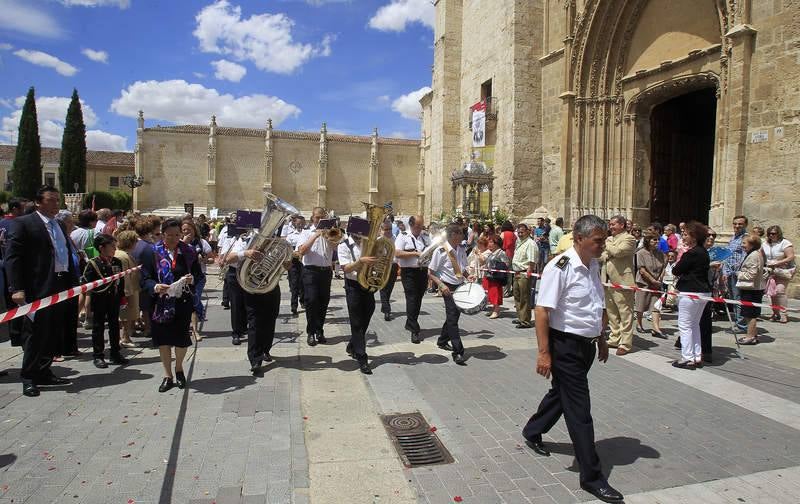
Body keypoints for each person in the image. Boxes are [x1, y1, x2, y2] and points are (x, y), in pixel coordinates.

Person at [521, 214, 622, 504]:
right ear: (579, 238)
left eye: (603, 240)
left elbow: (594, 303)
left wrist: (600, 337)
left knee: (561, 394)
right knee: (579, 409)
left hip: (586, 345)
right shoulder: (559, 267)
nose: (602, 245)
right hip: (564, 346)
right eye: (598, 241)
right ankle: (592, 477)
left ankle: (532, 430)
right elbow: (542, 311)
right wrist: (543, 353)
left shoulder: (592, 264)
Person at [4, 185, 79, 397]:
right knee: (35, 333)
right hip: (37, 287)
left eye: (58, 200)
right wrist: (16, 288)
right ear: (38, 202)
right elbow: (13, 258)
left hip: (60, 285)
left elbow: (63, 253)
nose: (56, 204)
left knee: (53, 330)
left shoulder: (58, 225)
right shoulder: (23, 224)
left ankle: (44, 371)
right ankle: (29, 377)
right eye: (51, 200)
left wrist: (73, 281)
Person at [140, 218, 201, 392]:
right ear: (162, 234)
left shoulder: (188, 252)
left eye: (177, 235)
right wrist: (155, 286)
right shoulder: (152, 252)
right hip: (160, 304)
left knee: (181, 340)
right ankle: (168, 375)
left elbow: (198, 274)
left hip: (182, 302)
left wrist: (192, 279)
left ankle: (179, 367)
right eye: (169, 235)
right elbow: (145, 278)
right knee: (163, 340)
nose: (174, 239)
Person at [226, 228, 283, 376]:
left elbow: (285, 265)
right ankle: (255, 359)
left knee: (270, 319)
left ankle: (265, 350)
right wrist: (246, 253)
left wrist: (286, 263)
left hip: (271, 285)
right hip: (252, 286)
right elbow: (227, 258)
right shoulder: (245, 241)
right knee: (255, 321)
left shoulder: (276, 245)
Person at [81, 233, 129, 369]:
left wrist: (122, 297)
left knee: (114, 326)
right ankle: (98, 355)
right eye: (111, 246)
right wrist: (87, 305)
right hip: (99, 299)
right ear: (102, 248)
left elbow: (120, 281)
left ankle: (115, 353)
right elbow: (87, 285)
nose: (114, 249)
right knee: (98, 327)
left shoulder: (116, 262)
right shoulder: (94, 264)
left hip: (113, 299)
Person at [428, 223, 473, 365]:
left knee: (453, 316)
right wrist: (441, 285)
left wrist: (468, 276)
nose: (463, 236)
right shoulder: (440, 251)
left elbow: (462, 268)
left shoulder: (461, 249)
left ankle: (442, 340)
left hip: (459, 286)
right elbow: (430, 272)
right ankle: (458, 351)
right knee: (453, 320)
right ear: (453, 235)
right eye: (460, 233)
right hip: (447, 287)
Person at [338, 218, 379, 374]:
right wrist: (360, 261)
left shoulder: (366, 244)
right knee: (356, 322)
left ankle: (352, 345)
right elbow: (346, 268)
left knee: (368, 313)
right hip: (353, 286)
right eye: (359, 234)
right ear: (353, 232)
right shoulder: (344, 245)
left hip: (367, 285)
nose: (361, 236)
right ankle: (362, 357)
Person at [671, 222, 711, 369]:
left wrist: (679, 260)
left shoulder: (692, 253)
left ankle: (687, 357)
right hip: (703, 291)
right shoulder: (703, 252)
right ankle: (696, 355)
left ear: (694, 237)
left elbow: (676, 270)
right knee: (694, 325)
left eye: (686, 234)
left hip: (690, 292)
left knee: (685, 325)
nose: (683, 237)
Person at [297, 207, 337, 347]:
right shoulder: (306, 233)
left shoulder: (331, 232)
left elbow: (336, 246)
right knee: (312, 300)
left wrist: (328, 235)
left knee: (323, 302)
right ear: (312, 219)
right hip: (310, 271)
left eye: (322, 218)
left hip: (326, 271)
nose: (319, 220)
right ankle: (310, 332)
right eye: (317, 218)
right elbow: (302, 251)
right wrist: (315, 235)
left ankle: (319, 331)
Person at [601, 215, 636, 356]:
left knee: (625, 313)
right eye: (610, 224)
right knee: (612, 312)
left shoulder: (629, 238)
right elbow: (601, 256)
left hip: (623, 281)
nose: (611, 227)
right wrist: (609, 248)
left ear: (622, 225)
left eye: (613, 224)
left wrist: (607, 245)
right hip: (608, 280)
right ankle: (614, 338)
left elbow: (619, 252)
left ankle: (625, 343)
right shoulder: (610, 240)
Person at [395, 215, 430, 344]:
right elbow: (397, 253)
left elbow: (431, 250)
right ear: (411, 225)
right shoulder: (403, 236)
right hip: (409, 272)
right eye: (417, 226)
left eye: (421, 226)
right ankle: (414, 329)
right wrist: (414, 253)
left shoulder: (425, 236)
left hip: (422, 271)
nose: (420, 229)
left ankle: (409, 322)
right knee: (412, 298)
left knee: (418, 298)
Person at [182, 219, 213, 342]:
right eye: (184, 230)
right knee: (187, 303)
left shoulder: (201, 243)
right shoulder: (178, 243)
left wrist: (204, 260)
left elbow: (211, 259)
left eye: (189, 230)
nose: (186, 232)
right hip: (183, 277)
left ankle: (195, 330)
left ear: (194, 230)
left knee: (194, 301)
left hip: (198, 277)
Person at [736, 235, 766, 345]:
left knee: (750, 314)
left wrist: (738, 274)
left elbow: (751, 274)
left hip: (752, 289)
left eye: (744, 243)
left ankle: (750, 337)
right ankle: (753, 334)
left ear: (752, 244)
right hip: (753, 288)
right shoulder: (754, 254)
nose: (742, 245)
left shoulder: (753, 255)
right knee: (750, 313)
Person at [635, 232, 665, 337]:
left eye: (658, 239)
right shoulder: (641, 253)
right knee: (641, 304)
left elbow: (663, 268)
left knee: (656, 306)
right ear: (648, 241)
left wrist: (660, 279)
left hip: (657, 283)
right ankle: (639, 324)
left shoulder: (660, 253)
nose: (657, 242)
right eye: (654, 240)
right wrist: (652, 280)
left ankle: (656, 328)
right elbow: (642, 269)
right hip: (644, 282)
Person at [114, 230, 141, 348]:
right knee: (125, 316)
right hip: (128, 290)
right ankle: (124, 337)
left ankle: (125, 336)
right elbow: (124, 276)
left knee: (127, 315)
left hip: (131, 288)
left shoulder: (124, 254)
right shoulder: (122, 256)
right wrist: (127, 293)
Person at [763, 225, 794, 323]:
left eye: (774, 233)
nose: (771, 235)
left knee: (780, 291)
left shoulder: (785, 243)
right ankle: (775, 313)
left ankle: (783, 313)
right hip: (770, 271)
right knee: (772, 293)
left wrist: (777, 263)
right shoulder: (765, 243)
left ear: (779, 233)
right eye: (769, 234)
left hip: (783, 271)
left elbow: (790, 257)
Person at [722, 215, 748, 332]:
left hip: (737, 273)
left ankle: (742, 326)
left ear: (745, 225)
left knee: (738, 299)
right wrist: (724, 271)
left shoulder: (746, 238)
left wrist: (736, 271)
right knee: (733, 298)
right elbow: (728, 255)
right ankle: (738, 323)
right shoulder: (733, 238)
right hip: (729, 273)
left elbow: (744, 256)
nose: (737, 226)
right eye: (735, 224)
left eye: (740, 224)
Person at [512, 224, 538, 329]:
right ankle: (520, 317)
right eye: (518, 232)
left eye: (522, 232)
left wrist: (528, 273)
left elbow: (532, 261)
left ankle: (525, 321)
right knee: (517, 296)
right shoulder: (519, 242)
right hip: (517, 272)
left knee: (524, 297)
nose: (520, 234)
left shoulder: (530, 244)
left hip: (524, 273)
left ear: (528, 231)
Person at [481, 235, 508, 319]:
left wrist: (495, 269)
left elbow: (506, 264)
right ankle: (493, 309)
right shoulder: (492, 252)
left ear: (497, 243)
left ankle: (496, 310)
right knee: (491, 293)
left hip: (496, 277)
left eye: (491, 242)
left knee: (496, 293)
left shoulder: (501, 253)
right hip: (490, 276)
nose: (489, 244)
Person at [285, 215, 307, 315]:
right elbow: (287, 249)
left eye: (302, 223)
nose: (300, 225)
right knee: (294, 284)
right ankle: (294, 306)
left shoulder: (307, 234)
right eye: (298, 223)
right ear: (294, 223)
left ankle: (302, 301)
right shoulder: (290, 235)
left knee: (303, 283)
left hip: (304, 262)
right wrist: (294, 253)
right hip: (294, 261)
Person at [379, 220, 399, 321]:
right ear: (381, 230)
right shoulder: (378, 240)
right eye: (385, 229)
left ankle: (384, 306)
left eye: (390, 229)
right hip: (382, 267)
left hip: (393, 266)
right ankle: (387, 310)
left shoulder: (396, 239)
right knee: (382, 288)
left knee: (389, 288)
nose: (388, 231)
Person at [499, 221, 517, 297]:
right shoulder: (514, 234)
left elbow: (499, 243)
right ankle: (508, 291)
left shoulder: (503, 234)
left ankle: (504, 292)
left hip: (503, 254)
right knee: (509, 274)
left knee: (503, 273)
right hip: (512, 254)